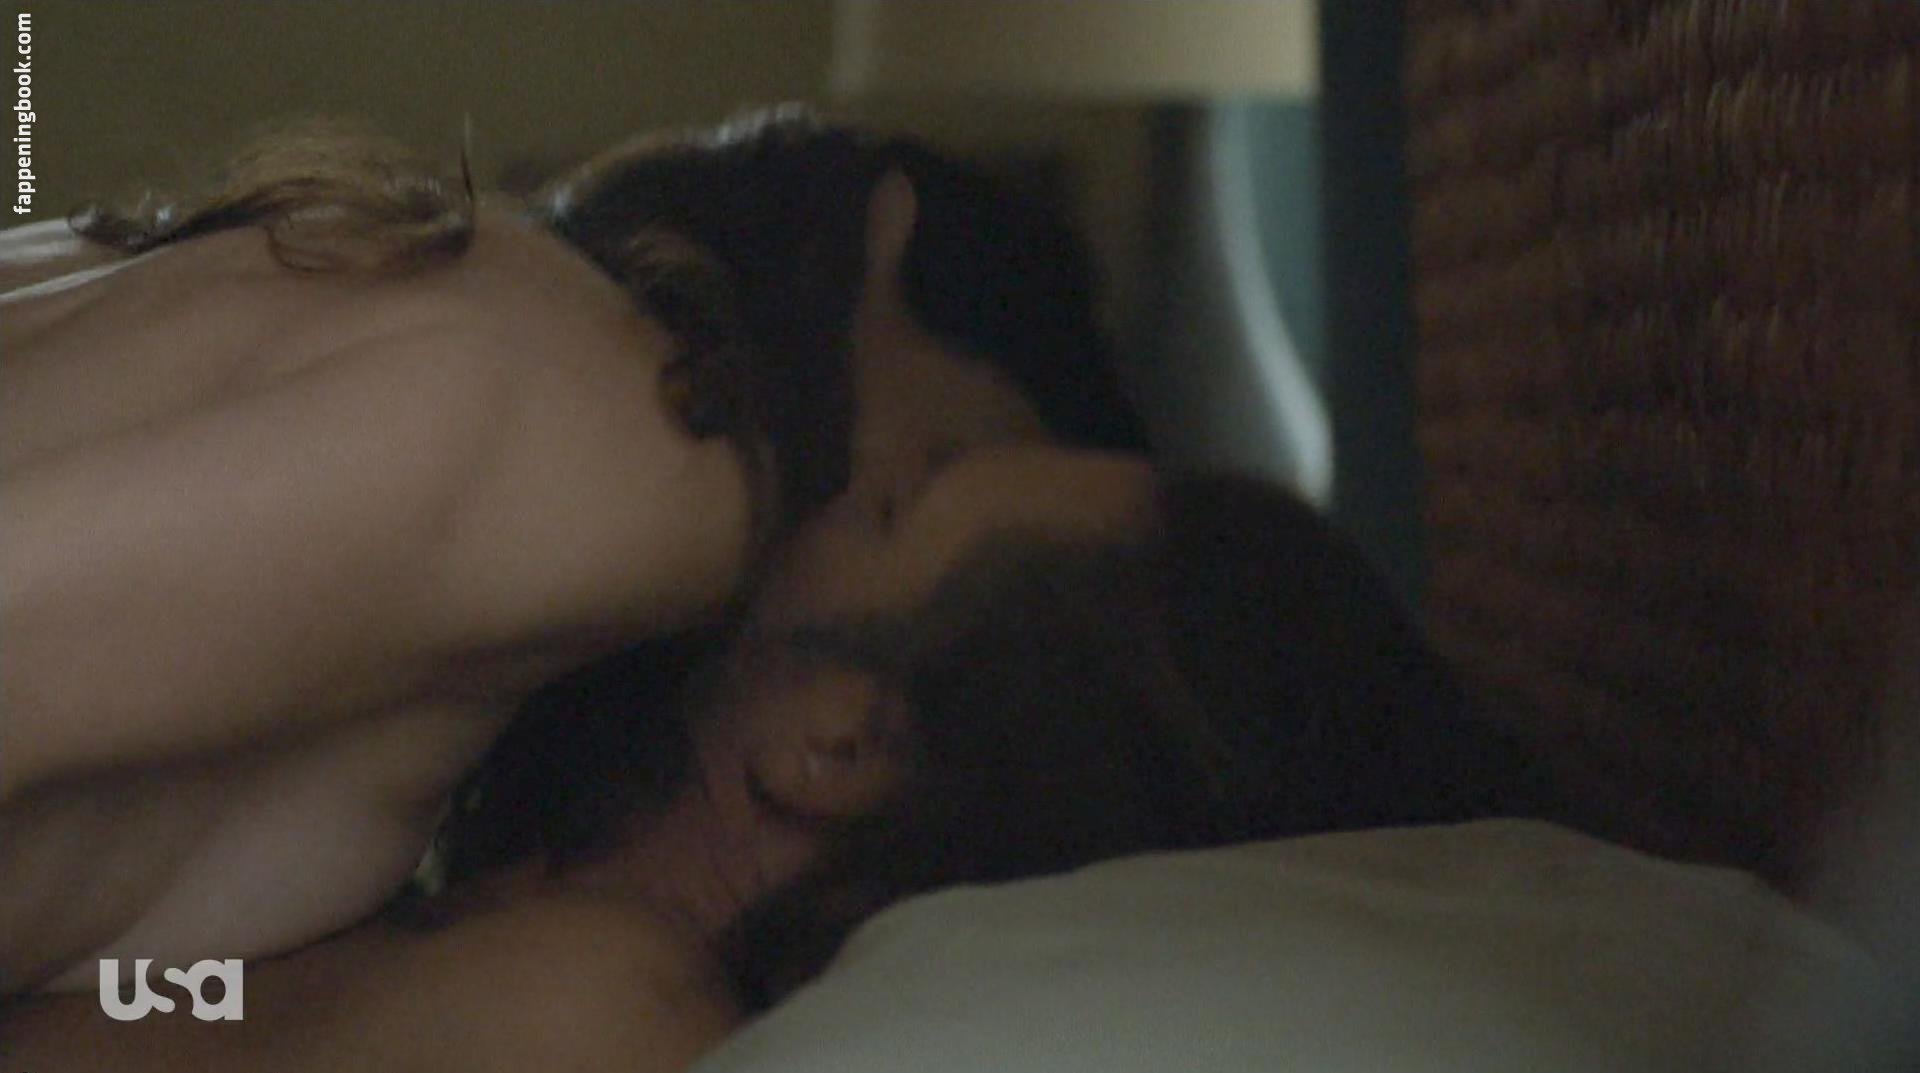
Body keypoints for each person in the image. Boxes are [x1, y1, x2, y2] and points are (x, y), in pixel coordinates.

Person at [0, 106, 1141, 996]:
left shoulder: (469, 306)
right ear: (882, 247)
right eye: (935, 469)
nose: (877, 506)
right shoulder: (645, 443)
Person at [0, 445, 1567, 1071]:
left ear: (840, 744)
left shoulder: (587, 1010)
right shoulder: (540, 907)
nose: (825, 487)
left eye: (892, 506)